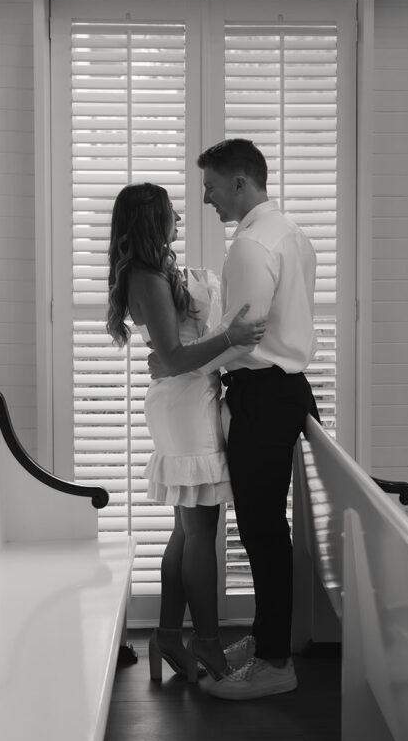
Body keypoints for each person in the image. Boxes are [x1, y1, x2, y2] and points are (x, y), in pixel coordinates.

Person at [149, 139, 320, 700]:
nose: (206, 199)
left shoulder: (249, 246)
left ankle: (275, 663)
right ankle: (270, 636)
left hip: (261, 396)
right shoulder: (292, 235)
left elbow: (240, 339)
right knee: (267, 528)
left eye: (212, 187)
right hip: (286, 389)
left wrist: (175, 365)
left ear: (241, 184)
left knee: (262, 531)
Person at [106, 182, 265, 683]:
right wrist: (230, 337)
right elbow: (172, 358)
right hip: (185, 406)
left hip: (191, 399)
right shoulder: (146, 277)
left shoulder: (157, 273)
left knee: (188, 529)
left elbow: (170, 356)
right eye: (170, 211)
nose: (179, 215)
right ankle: (208, 642)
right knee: (202, 531)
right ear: (152, 220)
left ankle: (170, 635)